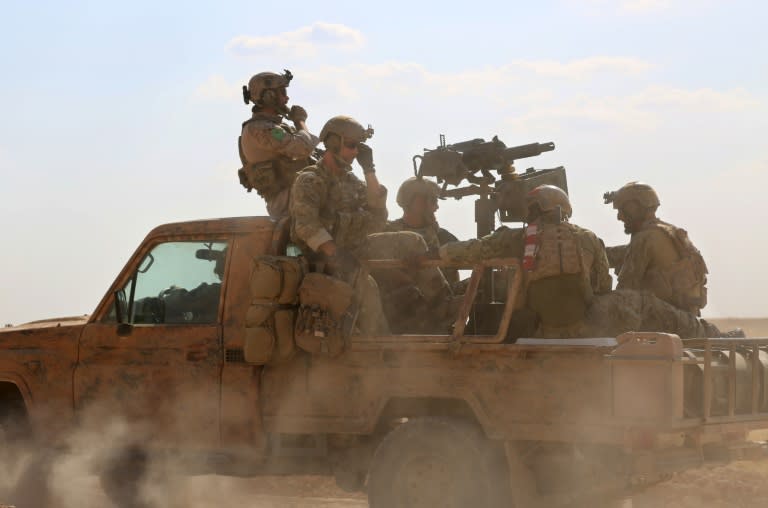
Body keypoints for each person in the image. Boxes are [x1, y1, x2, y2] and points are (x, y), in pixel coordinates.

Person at [436, 185, 727, 339]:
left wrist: (439, 254)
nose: (620, 217)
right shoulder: (587, 238)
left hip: (544, 332)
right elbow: (605, 286)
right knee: (637, 302)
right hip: (586, 327)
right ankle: (714, 336)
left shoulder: (517, 238)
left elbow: (473, 249)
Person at [290, 116, 453, 334]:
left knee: (412, 241)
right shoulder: (310, 180)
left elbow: (376, 219)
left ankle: (445, 308)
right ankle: (380, 351)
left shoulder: (351, 182)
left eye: (359, 146)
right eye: (351, 145)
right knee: (367, 289)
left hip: (354, 248)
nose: (355, 152)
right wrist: (335, 254)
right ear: (332, 143)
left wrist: (369, 169)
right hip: (324, 259)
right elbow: (307, 226)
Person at [603, 182, 708, 316]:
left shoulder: (644, 238)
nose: (620, 217)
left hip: (663, 321)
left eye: (622, 210)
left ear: (634, 208)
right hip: (686, 318)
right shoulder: (668, 232)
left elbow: (625, 291)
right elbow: (622, 253)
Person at [238, 69, 319, 218]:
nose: (287, 98)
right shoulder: (260, 129)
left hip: (299, 196)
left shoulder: (276, 127)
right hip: (287, 203)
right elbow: (303, 147)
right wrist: (299, 121)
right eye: (282, 92)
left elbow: (308, 146)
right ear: (269, 96)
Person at [386, 177, 461, 288]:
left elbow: (466, 255)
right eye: (433, 201)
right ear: (418, 202)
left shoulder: (442, 236)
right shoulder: (388, 235)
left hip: (443, 299)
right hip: (403, 299)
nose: (436, 207)